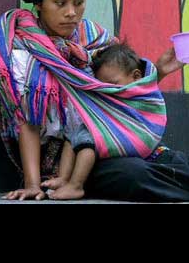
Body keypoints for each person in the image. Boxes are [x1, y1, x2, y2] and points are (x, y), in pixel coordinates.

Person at [0, 0, 189, 202]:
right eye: (60, 3)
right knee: (134, 174)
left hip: (112, 140)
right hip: (71, 159)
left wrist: (160, 71)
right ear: (39, 4)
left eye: (79, 2)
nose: (71, 12)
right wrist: (32, 184)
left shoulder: (94, 38)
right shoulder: (26, 51)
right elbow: (29, 122)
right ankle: (76, 184)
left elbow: (119, 93)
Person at [40, 42, 144, 200]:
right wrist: (92, 56)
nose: (107, 90)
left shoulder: (140, 92)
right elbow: (84, 75)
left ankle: (76, 185)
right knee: (72, 136)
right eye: (103, 86)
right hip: (106, 128)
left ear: (136, 76)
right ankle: (64, 178)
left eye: (113, 84)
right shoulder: (112, 84)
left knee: (87, 140)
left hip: (123, 138)